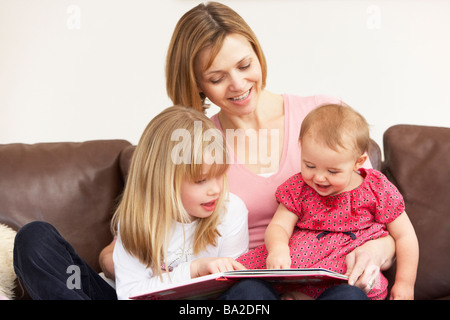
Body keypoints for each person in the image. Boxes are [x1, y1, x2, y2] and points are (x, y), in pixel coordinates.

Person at [100, 1, 397, 298]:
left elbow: (383, 217)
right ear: (198, 84)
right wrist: (177, 274)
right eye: (217, 78)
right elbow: (127, 246)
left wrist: (376, 249)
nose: (238, 84)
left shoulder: (323, 116)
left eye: (245, 65)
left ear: (258, 54)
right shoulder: (197, 143)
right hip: (251, 288)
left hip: (331, 278)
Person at [236, 104, 419, 300]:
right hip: (294, 276)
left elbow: (405, 236)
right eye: (310, 165)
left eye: (332, 171)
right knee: (245, 288)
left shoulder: (376, 187)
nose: (319, 178)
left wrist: (404, 284)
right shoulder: (299, 187)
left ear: (358, 162)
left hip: (344, 282)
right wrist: (278, 248)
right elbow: (279, 225)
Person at [112, 105, 250, 299]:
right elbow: (129, 294)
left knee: (252, 289)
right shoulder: (135, 222)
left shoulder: (230, 210)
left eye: (219, 175)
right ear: (163, 182)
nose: (216, 190)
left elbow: (236, 289)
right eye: (201, 180)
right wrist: (193, 270)